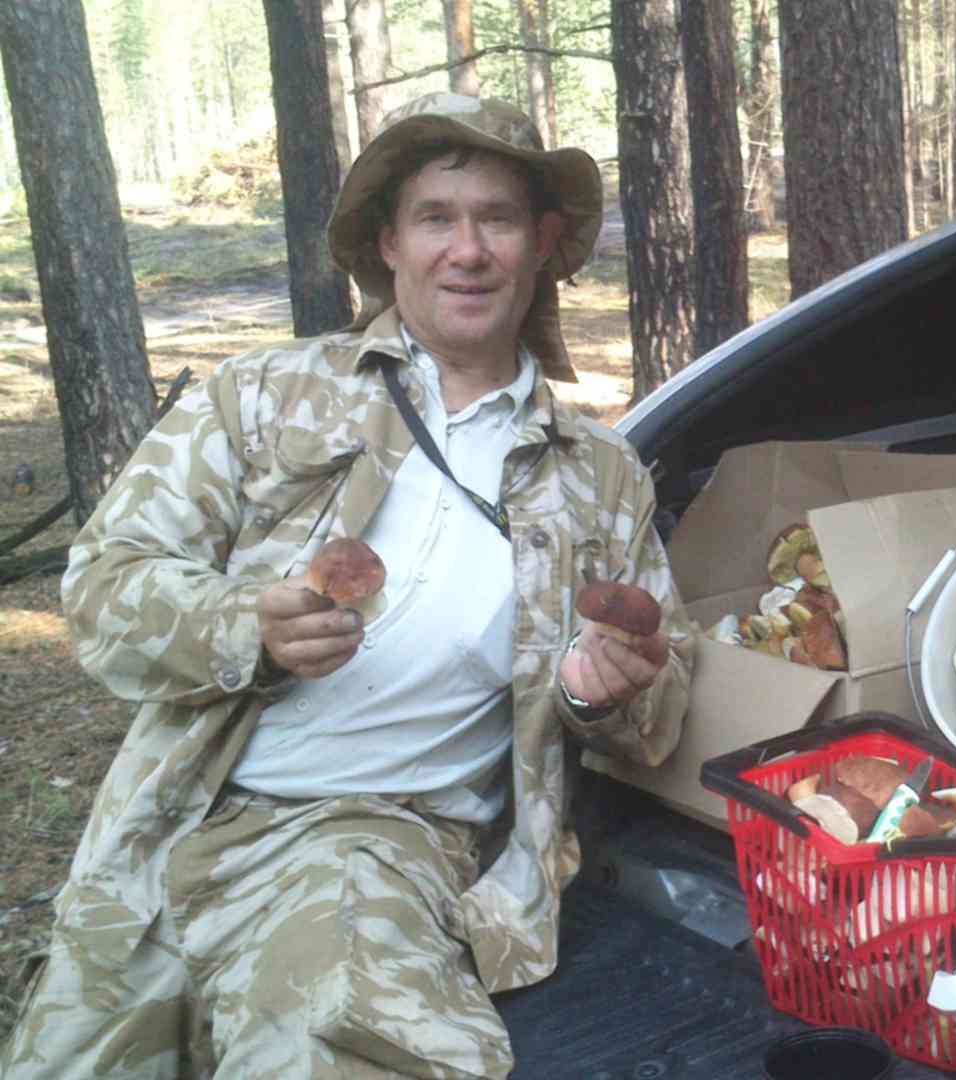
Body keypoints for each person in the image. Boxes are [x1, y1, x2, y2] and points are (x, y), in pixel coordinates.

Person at [1, 94, 694, 1078]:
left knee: (346, 1034)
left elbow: (658, 698)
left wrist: (595, 690)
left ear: (541, 243)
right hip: (176, 819)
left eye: (496, 218)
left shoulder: (599, 474)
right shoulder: (263, 398)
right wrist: (246, 622)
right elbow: (103, 588)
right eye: (435, 218)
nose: (468, 250)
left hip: (378, 842)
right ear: (388, 242)